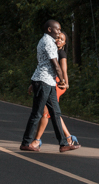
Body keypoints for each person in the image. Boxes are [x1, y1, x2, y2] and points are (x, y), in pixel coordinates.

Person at [20, 20, 79, 153]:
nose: (59, 32)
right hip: (44, 82)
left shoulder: (49, 42)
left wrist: (59, 81)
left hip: (49, 82)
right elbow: (55, 65)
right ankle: (26, 143)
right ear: (49, 29)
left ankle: (64, 143)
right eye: (57, 29)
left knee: (56, 113)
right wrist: (63, 80)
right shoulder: (48, 42)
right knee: (37, 113)